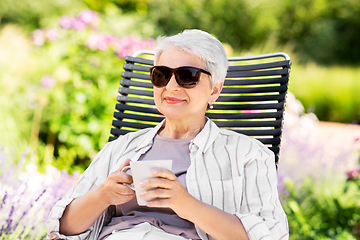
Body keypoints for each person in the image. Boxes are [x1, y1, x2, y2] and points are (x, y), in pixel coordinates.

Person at [47, 29, 289, 240]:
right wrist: (103, 195)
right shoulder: (121, 148)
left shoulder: (248, 154)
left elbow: (270, 235)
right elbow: (63, 231)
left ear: (214, 90)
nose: (171, 87)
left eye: (187, 76)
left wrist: (186, 204)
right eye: (161, 75)